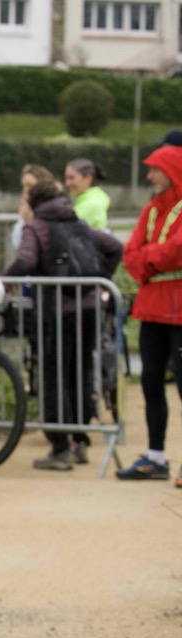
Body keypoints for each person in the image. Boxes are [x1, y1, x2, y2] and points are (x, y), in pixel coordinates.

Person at [7, 179, 123, 471]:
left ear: (34, 201)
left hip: (55, 311)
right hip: (89, 308)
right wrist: (98, 280)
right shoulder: (78, 223)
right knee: (80, 373)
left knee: (53, 376)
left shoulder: (37, 226)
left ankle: (60, 446)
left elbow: (26, 260)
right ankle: (79, 440)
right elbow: (114, 247)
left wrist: (3, 281)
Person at [117, 144, 182, 484]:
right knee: (150, 381)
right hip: (152, 308)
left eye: (155, 169)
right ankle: (156, 457)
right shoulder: (151, 210)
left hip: (179, 310)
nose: (149, 175)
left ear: (172, 171)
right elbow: (131, 254)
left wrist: (149, 258)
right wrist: (153, 258)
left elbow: (177, 251)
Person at [12, 164, 56, 249]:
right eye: (24, 186)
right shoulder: (26, 210)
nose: (25, 190)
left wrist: (31, 220)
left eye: (29, 185)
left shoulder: (53, 210)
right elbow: (17, 243)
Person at [65, 158, 111, 231]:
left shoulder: (90, 204)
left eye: (72, 178)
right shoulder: (97, 197)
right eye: (66, 178)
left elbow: (65, 230)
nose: (67, 183)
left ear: (88, 178)